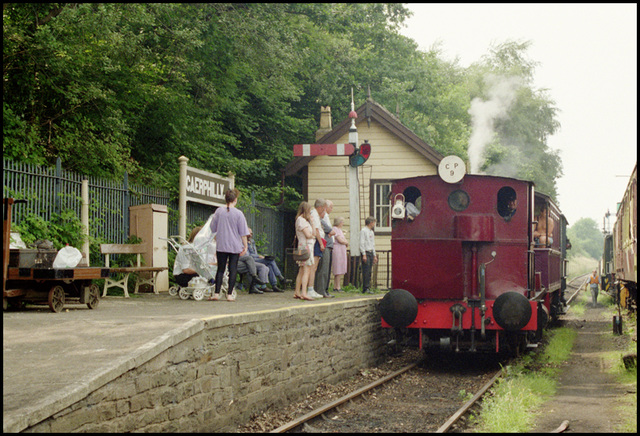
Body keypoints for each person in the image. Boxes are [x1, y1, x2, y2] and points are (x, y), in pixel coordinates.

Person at [208, 189, 250, 302]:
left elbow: (212, 228)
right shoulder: (239, 214)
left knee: (220, 269)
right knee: (233, 269)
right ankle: (229, 294)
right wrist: (245, 246)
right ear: (235, 200)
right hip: (235, 245)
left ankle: (216, 293)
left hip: (221, 245)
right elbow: (243, 233)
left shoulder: (218, 212)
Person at [247, 228, 285, 292]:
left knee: (269, 264)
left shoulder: (252, 241)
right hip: (250, 260)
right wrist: (258, 256)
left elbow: (255, 252)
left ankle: (274, 285)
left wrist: (259, 256)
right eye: (249, 233)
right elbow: (248, 255)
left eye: (252, 233)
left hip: (256, 258)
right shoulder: (243, 242)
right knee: (271, 261)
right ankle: (280, 277)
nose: (251, 235)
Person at [293, 201, 315, 301]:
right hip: (306, 246)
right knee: (307, 270)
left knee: (301, 270)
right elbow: (308, 234)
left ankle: (297, 291)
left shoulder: (301, 220)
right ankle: (304, 292)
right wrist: (312, 234)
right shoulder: (302, 221)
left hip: (303, 245)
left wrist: (312, 222)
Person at [314, 199, 336, 298]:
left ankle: (323, 290)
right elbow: (329, 230)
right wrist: (330, 231)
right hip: (324, 245)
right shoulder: (319, 218)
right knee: (323, 269)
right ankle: (321, 290)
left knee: (325, 269)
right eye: (323, 210)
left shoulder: (322, 217)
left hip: (326, 244)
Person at [307, 198, 327, 299]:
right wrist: (321, 243)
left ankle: (311, 288)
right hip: (317, 242)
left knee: (314, 267)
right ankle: (310, 288)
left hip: (317, 241)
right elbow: (316, 230)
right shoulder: (314, 214)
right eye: (323, 209)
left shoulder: (314, 214)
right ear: (320, 207)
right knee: (313, 267)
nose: (323, 211)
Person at [360, 216, 378, 294]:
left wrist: (374, 255)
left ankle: (368, 287)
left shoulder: (371, 232)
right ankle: (365, 287)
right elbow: (362, 243)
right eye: (373, 222)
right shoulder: (363, 231)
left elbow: (372, 244)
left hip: (370, 251)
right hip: (366, 252)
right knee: (366, 270)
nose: (374, 224)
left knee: (369, 270)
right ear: (371, 223)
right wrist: (363, 254)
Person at [331, 216, 348, 293]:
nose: (343, 224)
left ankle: (337, 285)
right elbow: (340, 240)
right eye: (342, 222)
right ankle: (337, 286)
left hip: (341, 249)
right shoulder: (335, 229)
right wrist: (346, 242)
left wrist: (345, 242)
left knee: (340, 267)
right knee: (338, 267)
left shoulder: (340, 230)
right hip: (338, 249)